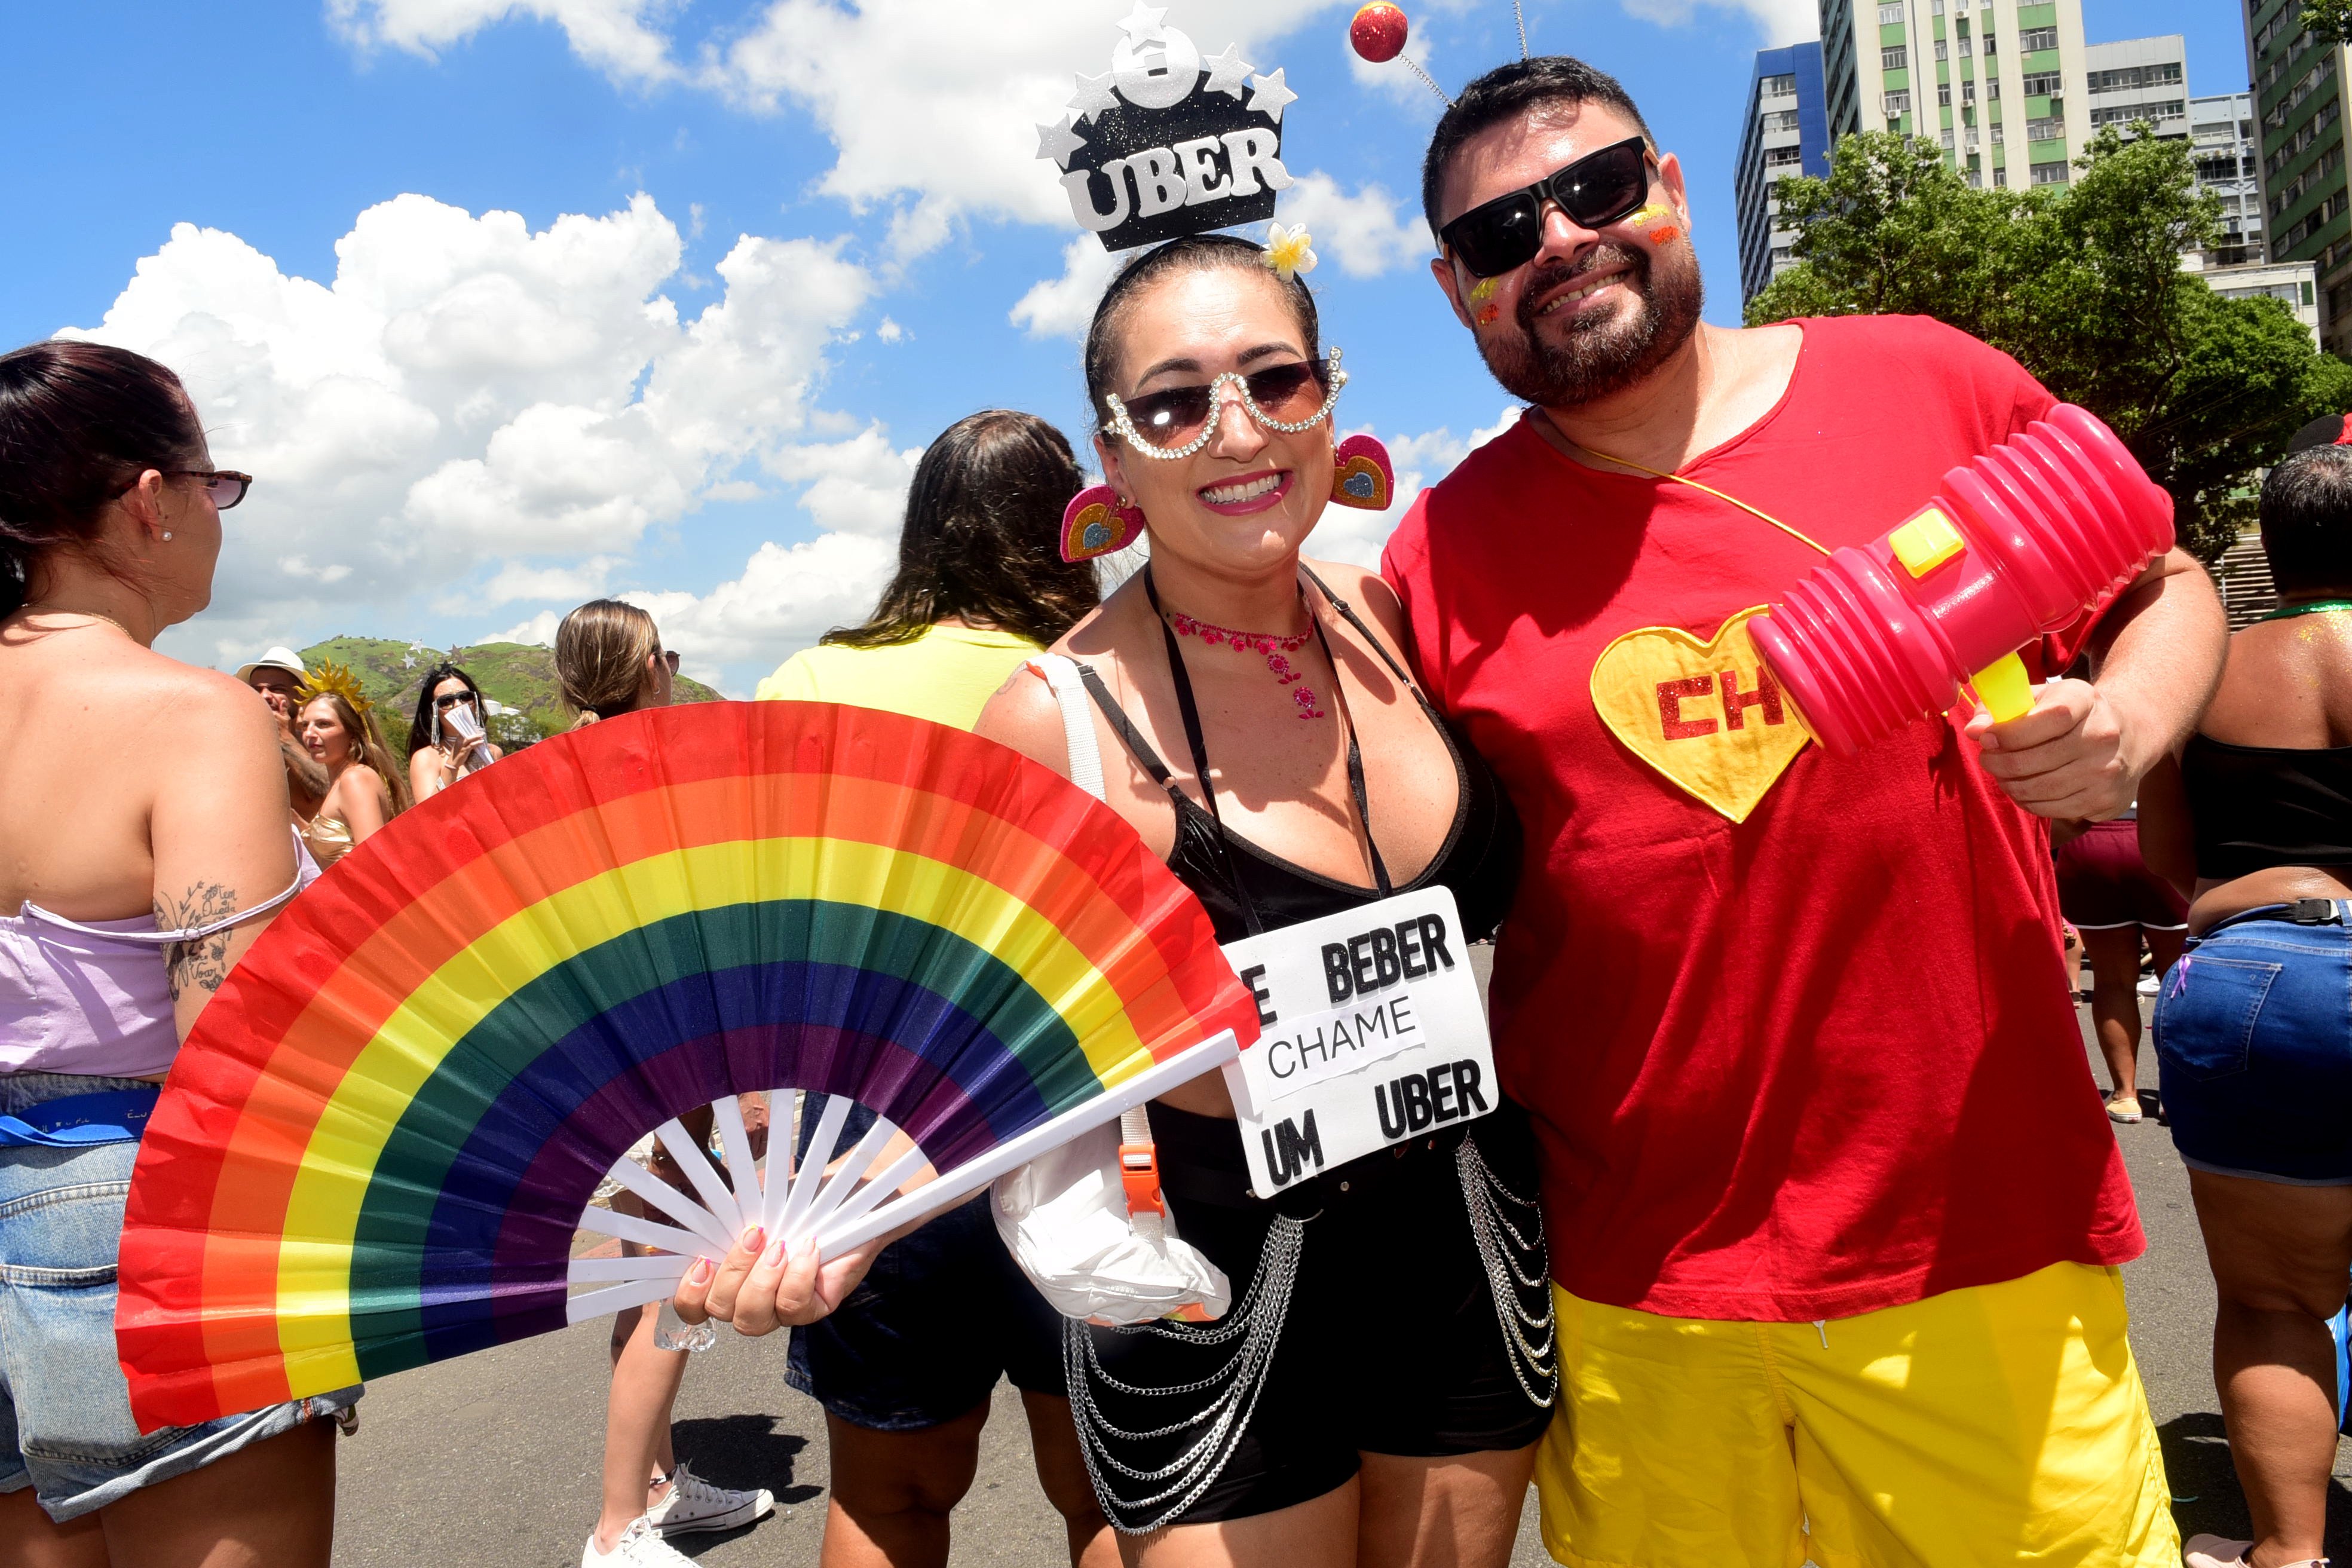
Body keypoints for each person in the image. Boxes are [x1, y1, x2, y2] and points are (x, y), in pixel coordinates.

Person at [1385, 57, 2227, 1567]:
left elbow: (2163, 578)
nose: (1562, 239)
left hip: (1975, 1237)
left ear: (1673, 188)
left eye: (1595, 187)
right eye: (1505, 233)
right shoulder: (1437, 553)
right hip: (1636, 1281)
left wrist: (2130, 725)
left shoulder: (1922, 378)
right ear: (1458, 290)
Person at [963, 235, 1548, 1566]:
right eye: (1174, 401)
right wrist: (800, 1234)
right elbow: (971, 1053)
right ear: (1114, 456)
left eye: (1272, 379)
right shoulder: (1053, 721)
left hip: (1463, 1245)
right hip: (1215, 1289)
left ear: (1326, 404)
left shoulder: (1399, 615)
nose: (1237, 428)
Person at [0, 339, 354, 1564]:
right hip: (141, 1211)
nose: (219, 512)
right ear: (151, 498)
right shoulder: (189, 714)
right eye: (220, 484)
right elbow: (234, 1046)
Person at [749, 411, 1116, 1568]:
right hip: (1083, 1113)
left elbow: (762, 934)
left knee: (887, 1494)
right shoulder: (1108, 667)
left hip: (868, 1134)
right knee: (1108, 1493)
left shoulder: (810, 679)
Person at [2138, 434, 2352, 1568]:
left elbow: (2169, 861)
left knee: (2274, 1300)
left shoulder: (2204, 667)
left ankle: (2286, 1551)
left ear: (2270, 546)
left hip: (2258, 972)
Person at [555, 598, 778, 1568]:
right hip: (680, 1049)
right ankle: (619, 1526)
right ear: (647, 664)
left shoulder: (560, 775)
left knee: (648, 1264)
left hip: (612, 1051)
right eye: (669, 654)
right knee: (672, 1281)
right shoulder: (662, 765)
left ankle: (658, 1485)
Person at [2055, 810, 2189, 1122]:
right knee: (2178, 982)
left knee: (2112, 982)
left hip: (2090, 841)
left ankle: (2125, 1094)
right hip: (2160, 834)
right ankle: (2176, 1094)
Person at [295, 682, 409, 869]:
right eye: (305, 726)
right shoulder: (342, 780)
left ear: (353, 734)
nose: (309, 734)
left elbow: (373, 863)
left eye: (324, 724)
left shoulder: (355, 780)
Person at [239, 645, 330, 820]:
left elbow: (333, 790)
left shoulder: (323, 740)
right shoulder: (242, 746)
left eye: (278, 689)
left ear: (301, 697)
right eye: (257, 689)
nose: (265, 696)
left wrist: (284, 740)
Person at [405, 662, 504, 802]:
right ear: (433, 710)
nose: (458, 705)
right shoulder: (426, 758)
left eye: (465, 697)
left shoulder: (494, 752)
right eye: (446, 701)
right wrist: (453, 764)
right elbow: (428, 813)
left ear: (475, 701)